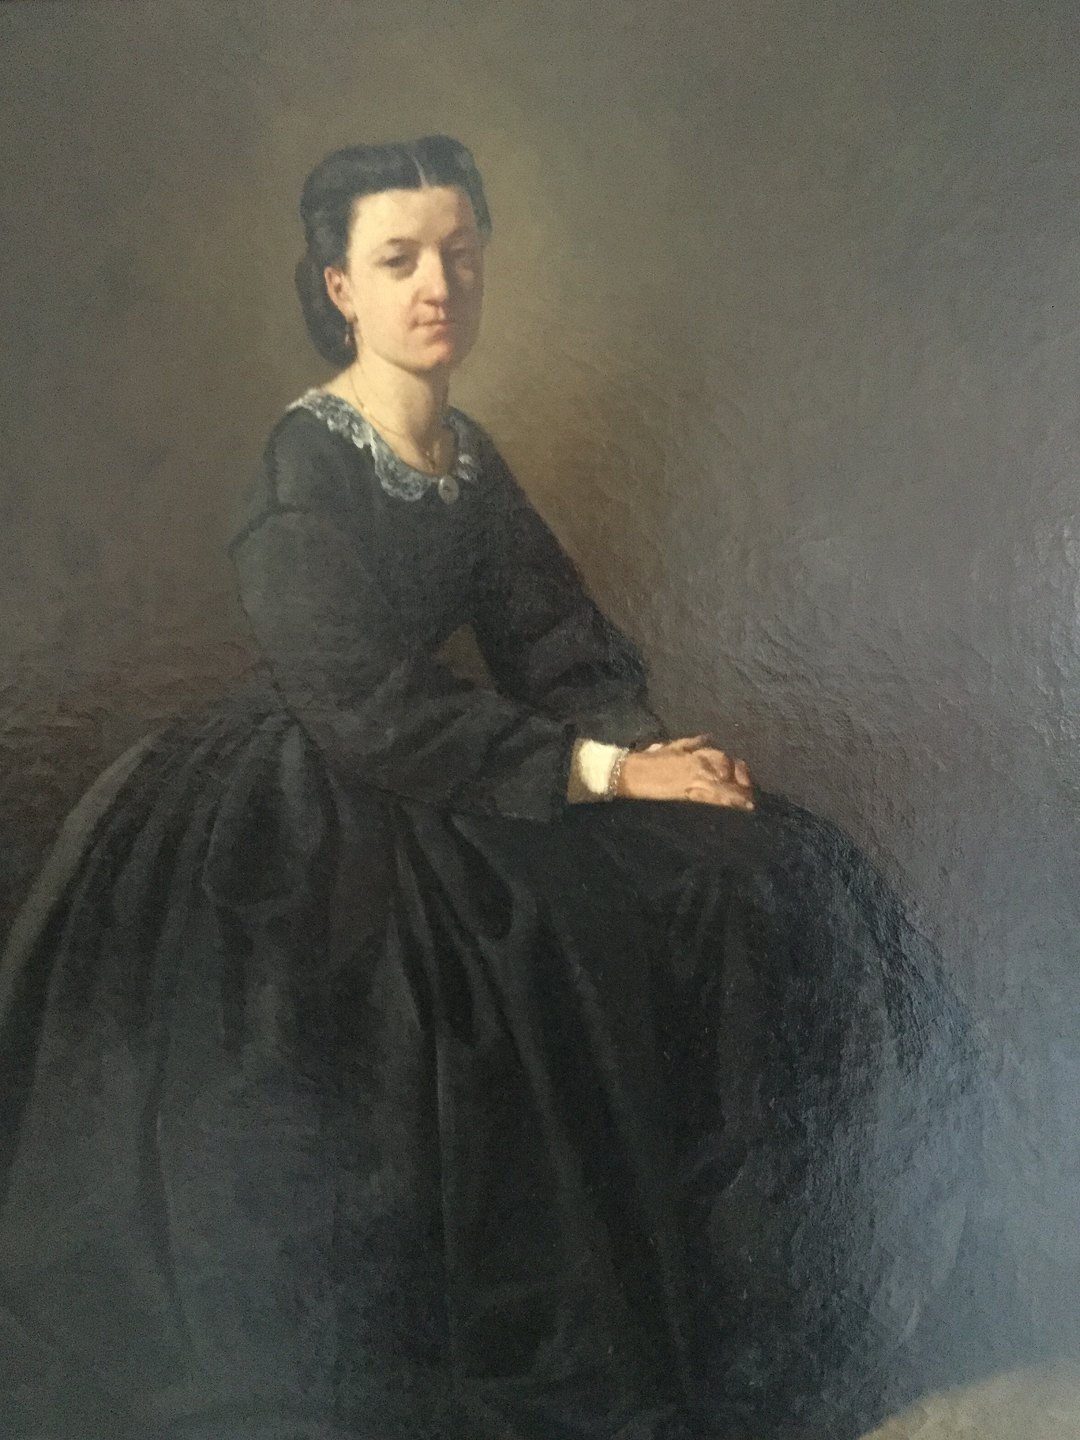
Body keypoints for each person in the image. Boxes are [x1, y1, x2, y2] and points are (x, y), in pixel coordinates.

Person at [0, 136, 980, 1440]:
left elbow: (557, 641)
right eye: (399, 258)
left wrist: (650, 759)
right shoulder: (303, 466)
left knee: (758, 866)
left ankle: (767, 1298)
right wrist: (602, 770)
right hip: (322, 794)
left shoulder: (465, 454)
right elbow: (363, 701)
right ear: (340, 287)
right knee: (485, 974)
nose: (437, 286)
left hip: (470, 760)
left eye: (459, 255)